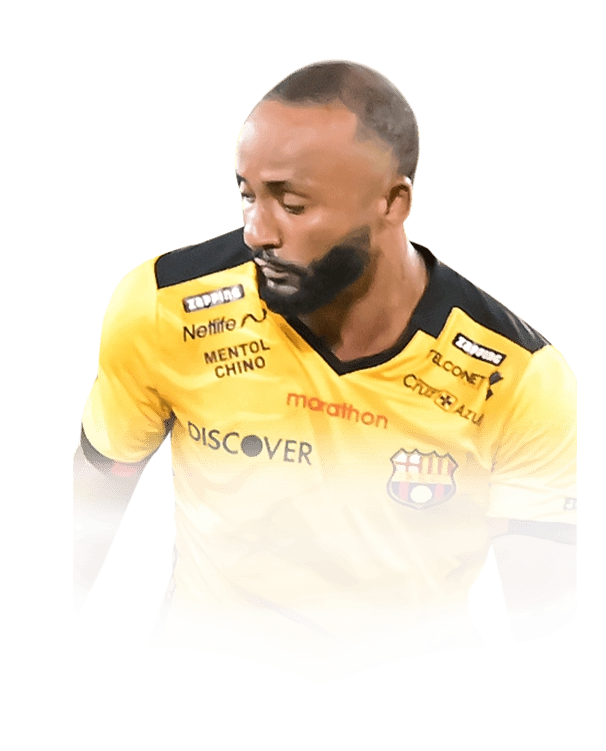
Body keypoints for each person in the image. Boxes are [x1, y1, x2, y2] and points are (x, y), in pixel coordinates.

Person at [72, 59, 579, 684]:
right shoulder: (167, 306)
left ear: (393, 202)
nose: (256, 231)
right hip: (208, 669)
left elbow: (545, 624)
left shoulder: (518, 376)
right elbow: (84, 521)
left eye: (292, 204)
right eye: (247, 194)